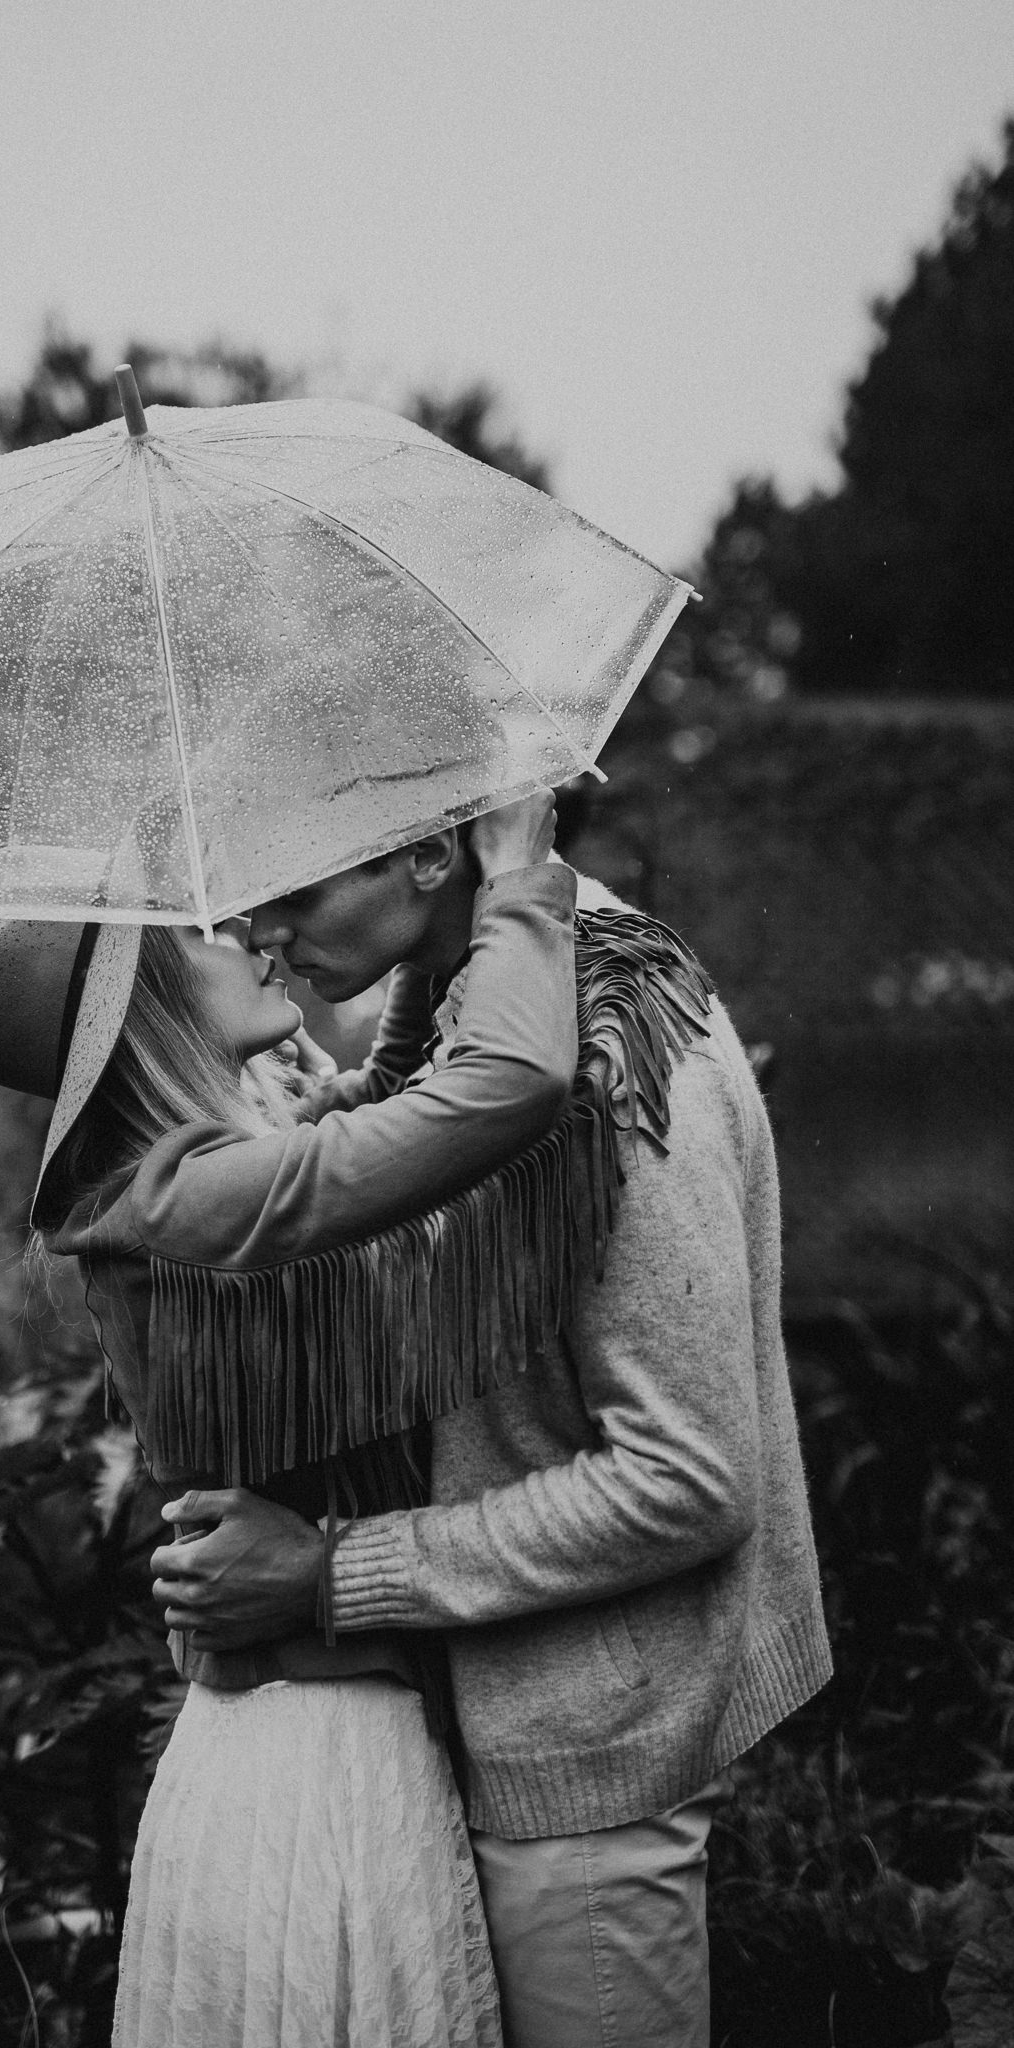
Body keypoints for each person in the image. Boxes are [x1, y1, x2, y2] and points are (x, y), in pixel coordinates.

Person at [151, 835, 834, 2048]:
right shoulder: (496, 999)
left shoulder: (602, 1051)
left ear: (423, 854)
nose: (264, 930)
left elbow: (687, 1476)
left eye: (296, 890)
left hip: (584, 1758)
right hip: (527, 1703)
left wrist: (328, 1571)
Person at [0, 792, 580, 2048]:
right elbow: (506, 1081)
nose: (246, 926)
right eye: (195, 925)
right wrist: (515, 871)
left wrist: (411, 938)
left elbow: (390, 1111)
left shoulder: (196, 1183)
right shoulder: (199, 1207)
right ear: (145, 1009)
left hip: (310, 1739)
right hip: (318, 1764)